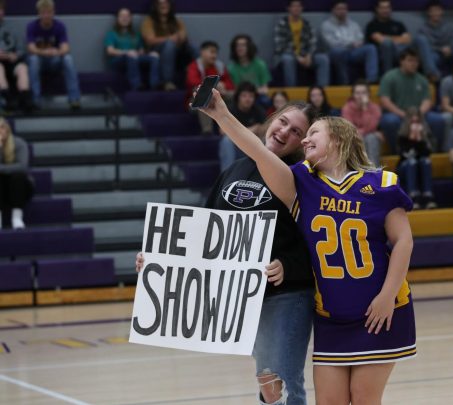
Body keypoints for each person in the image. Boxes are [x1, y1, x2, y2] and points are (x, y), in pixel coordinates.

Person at [200, 89, 416, 405]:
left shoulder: (381, 184)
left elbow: (404, 242)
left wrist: (386, 296)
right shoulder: (301, 182)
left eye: (310, 132)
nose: (302, 140)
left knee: (364, 399)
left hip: (380, 310)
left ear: (340, 139)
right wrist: (221, 114)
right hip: (331, 316)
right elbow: (259, 152)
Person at [138, 101, 317, 405]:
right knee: (267, 384)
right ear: (270, 119)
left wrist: (288, 265)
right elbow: (206, 231)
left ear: (303, 142)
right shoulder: (235, 168)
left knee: (282, 382)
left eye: (296, 130)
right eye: (283, 121)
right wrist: (161, 260)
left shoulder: (301, 177)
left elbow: (316, 242)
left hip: (286, 295)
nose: (285, 131)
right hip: (242, 297)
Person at [379, 47, 444, 154]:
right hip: (398, 114)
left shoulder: (422, 79)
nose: (414, 64)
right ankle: (397, 152)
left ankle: (433, 151)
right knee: (390, 121)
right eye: (410, 60)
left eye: (416, 61)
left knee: (438, 120)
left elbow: (427, 101)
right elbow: (385, 101)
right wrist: (404, 114)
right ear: (401, 61)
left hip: (418, 114)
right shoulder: (389, 77)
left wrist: (418, 114)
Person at [26, 0, 81, 109]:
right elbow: (31, 48)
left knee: (68, 59)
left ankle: (74, 99)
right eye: (43, 13)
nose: (46, 15)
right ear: (39, 13)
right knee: (33, 59)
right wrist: (43, 52)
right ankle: (35, 100)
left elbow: (66, 47)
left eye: (49, 12)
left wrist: (56, 52)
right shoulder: (31, 26)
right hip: (39, 61)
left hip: (54, 61)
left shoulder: (60, 26)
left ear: (53, 13)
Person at [365, 0, 433, 76]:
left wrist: (387, 37)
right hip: (387, 53)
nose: (385, 10)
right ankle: (388, 76)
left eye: (387, 7)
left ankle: (431, 73)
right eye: (382, 8)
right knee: (387, 43)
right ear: (377, 9)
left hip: (404, 50)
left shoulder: (398, 24)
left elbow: (408, 39)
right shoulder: (372, 25)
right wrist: (400, 39)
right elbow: (381, 40)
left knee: (421, 39)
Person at [141, 0, 196, 90]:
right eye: (160, 3)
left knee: (192, 47)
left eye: (166, 3)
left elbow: (183, 36)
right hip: (156, 50)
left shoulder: (176, 19)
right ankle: (167, 81)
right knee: (169, 45)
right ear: (156, 6)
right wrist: (169, 39)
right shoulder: (149, 21)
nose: (164, 6)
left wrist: (178, 37)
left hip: (177, 48)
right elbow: (149, 40)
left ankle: (206, 77)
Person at [273, 0, 329, 87]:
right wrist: (297, 57)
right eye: (294, 6)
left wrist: (309, 55)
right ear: (289, 8)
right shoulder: (282, 24)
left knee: (323, 58)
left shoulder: (307, 24)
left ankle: (322, 89)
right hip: (289, 55)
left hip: (305, 56)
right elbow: (281, 46)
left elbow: (312, 42)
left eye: (299, 6)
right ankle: (292, 91)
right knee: (288, 59)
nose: (296, 8)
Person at [320, 0, 378, 85]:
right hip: (335, 53)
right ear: (333, 10)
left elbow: (360, 39)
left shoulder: (353, 24)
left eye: (344, 9)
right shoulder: (326, 25)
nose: (342, 11)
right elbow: (332, 44)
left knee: (370, 48)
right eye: (339, 9)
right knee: (338, 51)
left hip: (353, 52)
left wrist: (354, 44)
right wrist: (351, 43)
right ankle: (345, 83)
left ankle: (372, 80)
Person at [105, 8, 160, 91]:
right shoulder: (112, 34)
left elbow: (141, 50)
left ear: (130, 18)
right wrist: (127, 52)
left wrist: (149, 53)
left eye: (127, 16)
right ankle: (137, 86)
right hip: (118, 60)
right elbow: (110, 51)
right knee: (131, 56)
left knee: (154, 57)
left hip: (135, 57)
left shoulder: (136, 34)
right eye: (122, 16)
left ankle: (155, 85)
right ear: (117, 19)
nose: (125, 18)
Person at [186, 41, 235, 134]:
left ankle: (235, 128)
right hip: (195, 101)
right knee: (203, 95)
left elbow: (230, 85)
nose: (214, 56)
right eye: (212, 52)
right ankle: (207, 131)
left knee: (237, 94)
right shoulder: (194, 66)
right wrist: (214, 87)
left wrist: (224, 86)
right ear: (202, 52)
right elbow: (192, 83)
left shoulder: (219, 66)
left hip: (218, 97)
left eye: (216, 53)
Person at [417, 0, 453, 80]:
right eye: (432, 11)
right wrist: (441, 49)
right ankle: (434, 76)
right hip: (436, 54)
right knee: (430, 58)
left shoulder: (450, 26)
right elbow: (425, 47)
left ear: (442, 11)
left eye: (438, 10)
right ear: (428, 13)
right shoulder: (423, 29)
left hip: (451, 52)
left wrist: (450, 48)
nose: (435, 13)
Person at [219, 82, 266, 172]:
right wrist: (252, 129)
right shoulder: (231, 109)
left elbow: (263, 130)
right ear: (238, 97)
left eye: (251, 96)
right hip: (235, 148)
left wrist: (235, 130)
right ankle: (226, 176)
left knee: (265, 140)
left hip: (251, 148)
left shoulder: (258, 110)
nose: (248, 99)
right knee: (226, 141)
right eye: (244, 96)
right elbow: (222, 131)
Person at [397, 108, 436, 209]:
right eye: (413, 122)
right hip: (405, 166)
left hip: (421, 164)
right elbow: (405, 155)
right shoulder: (402, 137)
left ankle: (428, 195)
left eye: (417, 122)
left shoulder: (425, 137)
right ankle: (413, 196)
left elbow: (426, 153)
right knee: (412, 162)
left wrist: (419, 139)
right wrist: (411, 138)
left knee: (425, 161)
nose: (415, 125)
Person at [0, 118, 34, 229]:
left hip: (19, 187)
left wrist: (2, 168)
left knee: (18, 176)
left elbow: (23, 166)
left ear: (8, 129)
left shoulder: (19, 143)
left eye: (2, 127)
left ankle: (17, 217)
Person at [0, 0, 33, 112]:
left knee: (22, 68)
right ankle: (7, 99)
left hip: (11, 60)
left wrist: (14, 55)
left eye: (1, 10)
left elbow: (21, 49)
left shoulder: (12, 28)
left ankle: (25, 100)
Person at [341, 80, 382, 165]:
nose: (360, 96)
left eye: (363, 93)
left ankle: (374, 171)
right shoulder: (347, 108)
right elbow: (351, 129)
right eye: (357, 93)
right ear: (353, 95)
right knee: (361, 137)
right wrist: (366, 131)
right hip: (354, 138)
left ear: (368, 94)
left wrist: (365, 108)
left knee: (371, 138)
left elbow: (372, 126)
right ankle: (361, 171)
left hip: (369, 138)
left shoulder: (375, 108)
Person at [227, 34, 272, 106]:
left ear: (249, 47)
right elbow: (231, 91)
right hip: (238, 99)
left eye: (243, 45)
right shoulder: (231, 68)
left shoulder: (260, 64)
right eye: (237, 45)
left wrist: (251, 93)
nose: (239, 48)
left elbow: (265, 89)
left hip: (257, 97)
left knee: (265, 100)